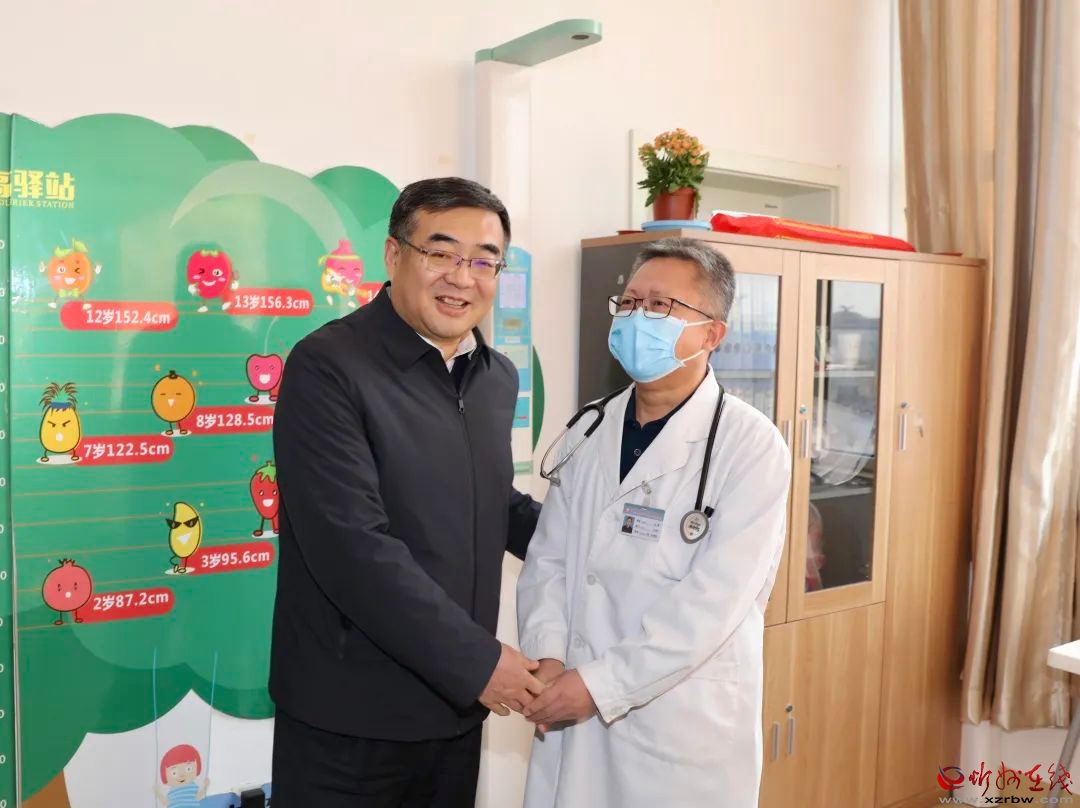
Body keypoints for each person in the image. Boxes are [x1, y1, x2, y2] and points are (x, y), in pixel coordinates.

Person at [269, 177, 544, 807]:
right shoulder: (328, 366)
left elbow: (493, 503)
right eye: (440, 253)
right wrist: (479, 663)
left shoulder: (494, 376)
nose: (462, 278)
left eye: (484, 261)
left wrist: (603, 546)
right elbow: (351, 546)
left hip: (453, 713)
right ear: (394, 256)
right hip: (351, 716)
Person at [516, 237, 791, 807]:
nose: (637, 317)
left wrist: (600, 685)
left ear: (712, 334)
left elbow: (713, 603)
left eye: (661, 305)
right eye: (630, 302)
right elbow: (549, 558)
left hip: (675, 727)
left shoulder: (749, 446)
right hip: (570, 703)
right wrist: (548, 655)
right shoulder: (590, 428)